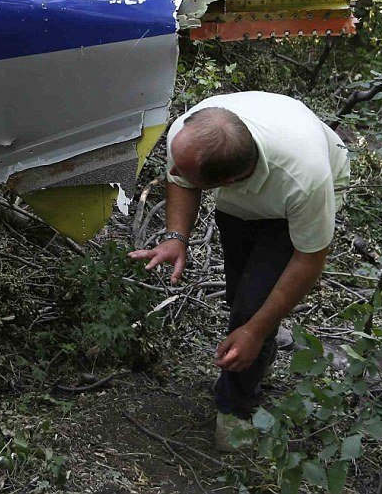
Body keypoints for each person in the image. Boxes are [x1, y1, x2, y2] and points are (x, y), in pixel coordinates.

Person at [128, 91, 350, 451]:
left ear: (227, 182)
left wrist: (256, 328)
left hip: (292, 196)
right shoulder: (191, 135)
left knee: (252, 314)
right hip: (246, 198)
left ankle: (235, 407)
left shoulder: (306, 180)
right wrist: (176, 237)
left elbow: (309, 261)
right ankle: (256, 335)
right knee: (242, 297)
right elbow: (180, 179)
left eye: (183, 170)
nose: (171, 170)